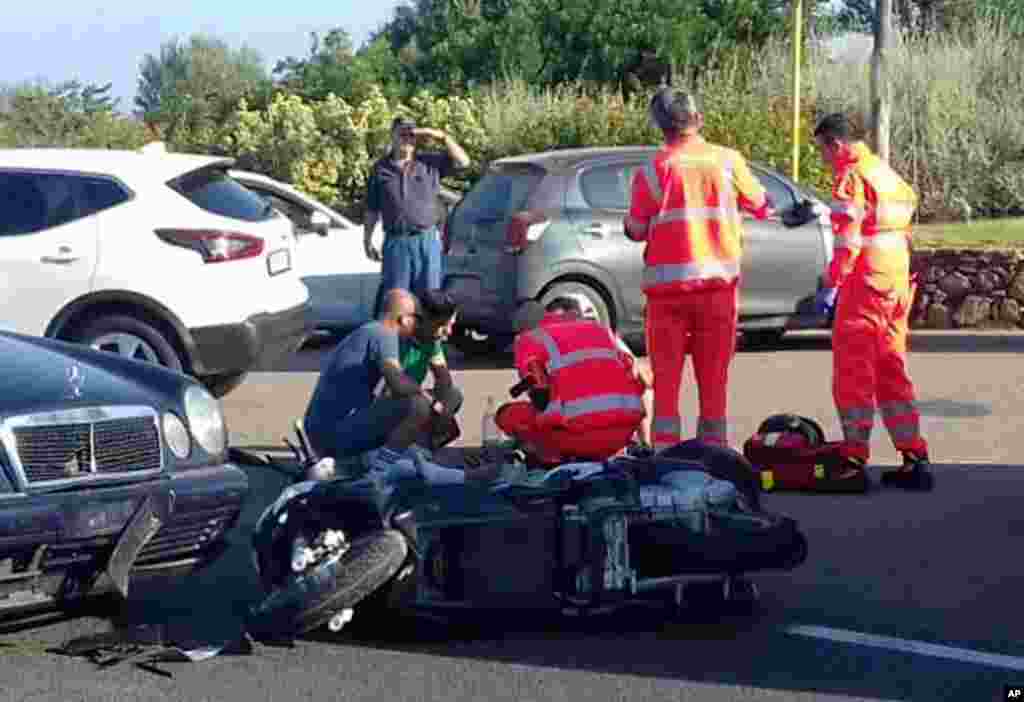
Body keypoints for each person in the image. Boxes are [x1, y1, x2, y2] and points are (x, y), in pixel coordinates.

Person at [624, 87, 775, 452]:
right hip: (716, 291)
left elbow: (636, 229)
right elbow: (762, 205)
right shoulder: (727, 161)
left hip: (667, 295)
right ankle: (715, 456)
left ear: (660, 128)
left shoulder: (652, 171)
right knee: (714, 383)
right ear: (698, 120)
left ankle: (664, 456)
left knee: (666, 385)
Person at [812, 113, 933, 491]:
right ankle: (914, 455)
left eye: (823, 151)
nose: (824, 159)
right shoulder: (885, 173)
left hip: (866, 281)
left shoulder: (852, 177)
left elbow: (848, 241)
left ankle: (852, 460)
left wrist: (832, 284)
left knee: (853, 369)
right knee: (891, 367)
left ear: (837, 144)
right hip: (896, 280)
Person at [494, 297, 648, 466]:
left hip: (576, 437)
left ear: (521, 329)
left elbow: (540, 398)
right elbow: (634, 379)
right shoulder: (599, 328)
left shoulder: (529, 340)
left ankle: (549, 457)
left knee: (507, 415)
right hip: (623, 433)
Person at [302, 288, 438, 460]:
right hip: (331, 436)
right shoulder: (384, 333)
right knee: (417, 404)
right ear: (404, 319)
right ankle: (383, 465)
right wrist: (427, 396)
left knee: (400, 403)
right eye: (417, 318)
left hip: (319, 433)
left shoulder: (369, 331)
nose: (418, 325)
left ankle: (384, 454)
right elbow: (398, 383)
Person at [364, 117, 471, 317]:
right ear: (392, 135)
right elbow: (372, 209)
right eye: (401, 134)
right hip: (397, 243)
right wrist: (367, 240)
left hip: (427, 242)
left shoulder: (428, 162)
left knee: (431, 302)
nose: (406, 139)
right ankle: (396, 347)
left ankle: (430, 347)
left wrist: (441, 136)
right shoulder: (379, 169)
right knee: (397, 302)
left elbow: (464, 162)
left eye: (410, 134)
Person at [396, 289, 464, 451]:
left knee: (453, 396)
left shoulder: (431, 340)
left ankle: (424, 446)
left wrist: (443, 416)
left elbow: (444, 380)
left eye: (451, 325)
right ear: (424, 320)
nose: (449, 332)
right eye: (443, 326)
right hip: (387, 404)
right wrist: (433, 403)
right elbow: (391, 388)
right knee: (420, 404)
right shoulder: (397, 340)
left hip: (412, 401)